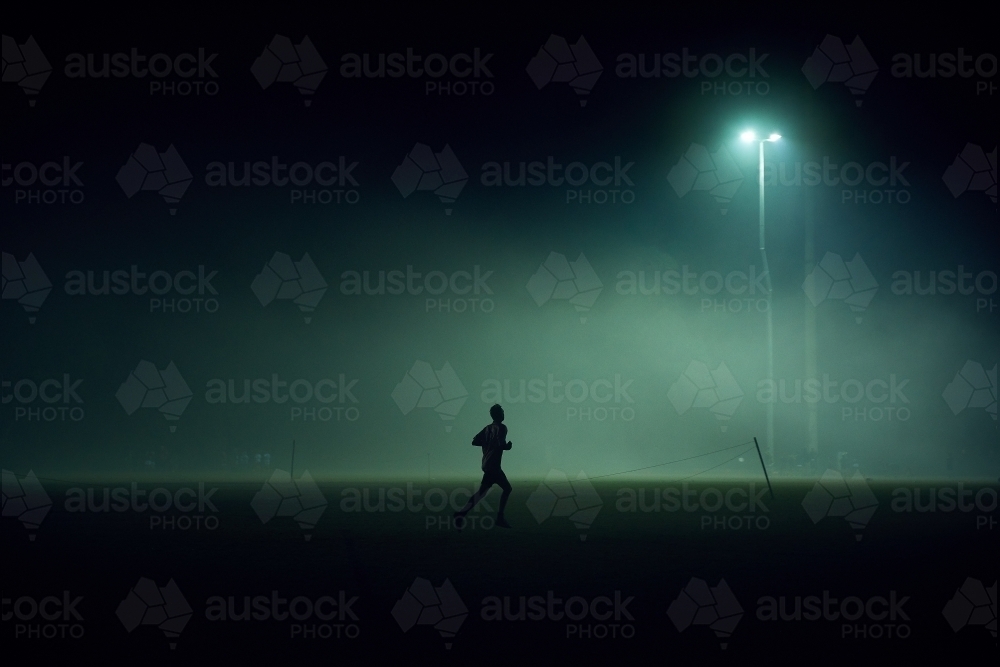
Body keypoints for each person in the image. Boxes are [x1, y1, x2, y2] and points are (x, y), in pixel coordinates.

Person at [455, 404, 513, 529]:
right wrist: (507, 446)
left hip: (487, 464)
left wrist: (487, 443)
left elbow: (474, 441)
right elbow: (500, 444)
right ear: (498, 414)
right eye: (502, 412)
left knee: (481, 493)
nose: (504, 414)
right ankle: (500, 518)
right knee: (507, 489)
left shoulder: (487, 429)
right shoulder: (502, 428)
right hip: (494, 466)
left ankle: (461, 514)